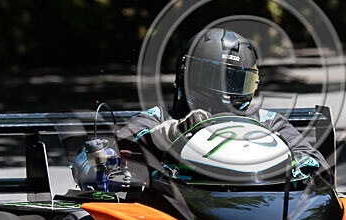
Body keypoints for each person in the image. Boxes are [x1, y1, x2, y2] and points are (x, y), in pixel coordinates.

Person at [74, 28, 330, 189]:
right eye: (214, 78)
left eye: (235, 81)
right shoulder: (160, 119)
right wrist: (171, 134)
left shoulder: (267, 122)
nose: (225, 90)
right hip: (181, 218)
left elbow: (315, 164)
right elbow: (121, 145)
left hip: (257, 212)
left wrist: (288, 163)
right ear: (188, 75)